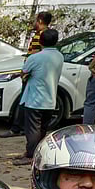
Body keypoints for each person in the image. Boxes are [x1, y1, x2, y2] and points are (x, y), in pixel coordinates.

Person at [14, 28, 63, 166]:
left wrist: (25, 76)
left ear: (40, 41)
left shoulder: (34, 57)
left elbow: (24, 73)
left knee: (32, 129)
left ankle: (31, 155)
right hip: (51, 98)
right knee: (42, 129)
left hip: (35, 99)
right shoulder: (59, 56)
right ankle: (37, 152)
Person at [1, 11, 54, 139]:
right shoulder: (43, 35)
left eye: (36, 20)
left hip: (32, 73)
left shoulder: (40, 36)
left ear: (40, 20)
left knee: (24, 101)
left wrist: (26, 72)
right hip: (35, 72)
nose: (34, 22)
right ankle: (20, 127)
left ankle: (17, 128)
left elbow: (35, 55)